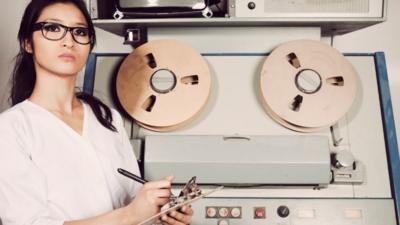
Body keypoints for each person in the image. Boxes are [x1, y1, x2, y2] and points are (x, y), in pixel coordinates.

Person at [0, 0, 193, 225]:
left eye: (79, 32)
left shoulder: (108, 118)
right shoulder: (10, 129)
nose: (68, 41)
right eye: (52, 28)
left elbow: (132, 200)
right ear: (27, 43)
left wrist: (160, 213)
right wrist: (131, 214)